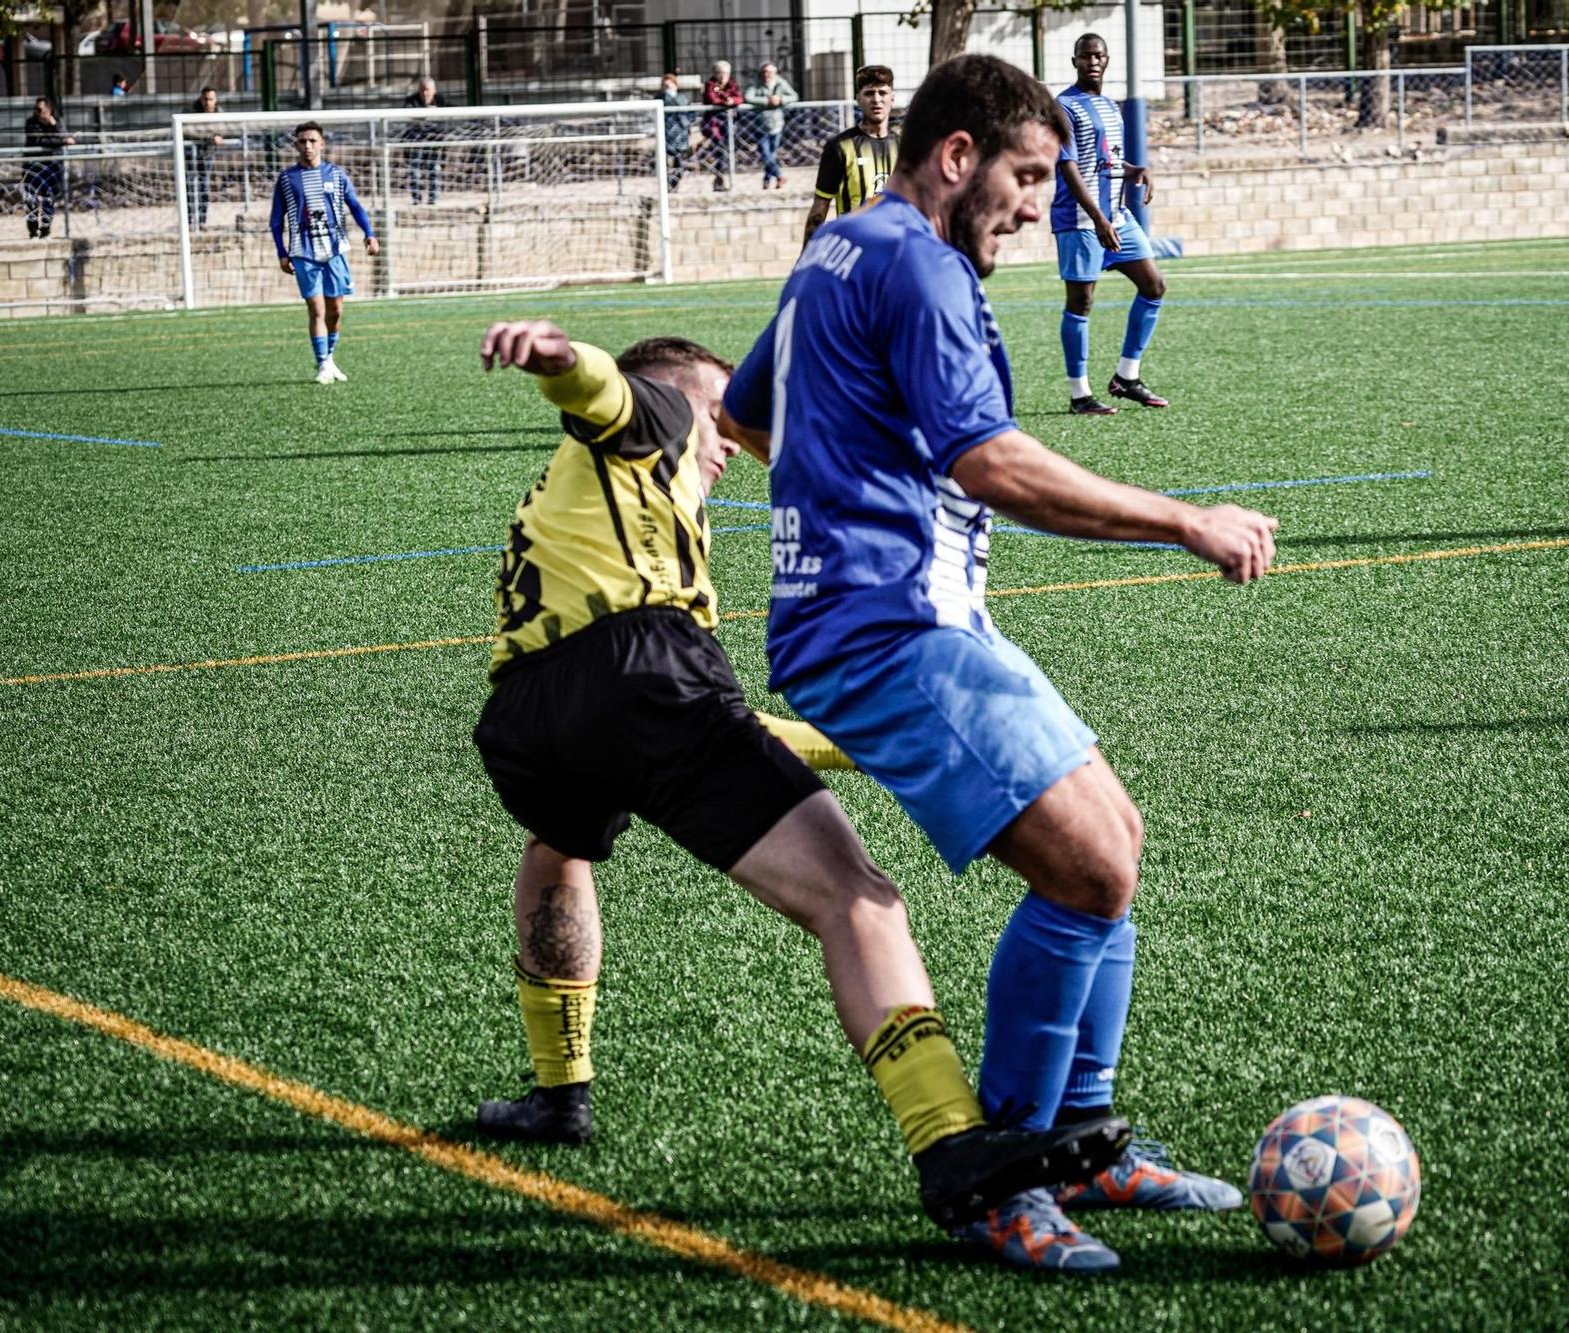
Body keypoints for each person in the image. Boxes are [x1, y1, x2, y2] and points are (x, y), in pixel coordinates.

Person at [720, 53, 1277, 1273]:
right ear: (957, 156)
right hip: (885, 627)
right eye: (1025, 176)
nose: (1036, 206)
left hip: (888, 613)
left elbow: (748, 411)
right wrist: (1182, 517)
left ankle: (1079, 1135)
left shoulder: (838, 250)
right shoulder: (916, 261)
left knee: (1108, 838)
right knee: (1085, 858)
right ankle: (1004, 1173)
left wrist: (846, 482)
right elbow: (989, 462)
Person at [468, 318, 1130, 1235]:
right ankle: (950, 1145)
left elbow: (710, 729)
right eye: (725, 414)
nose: (733, 438)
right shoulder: (657, 413)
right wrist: (558, 356)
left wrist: (859, 740)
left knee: (560, 847)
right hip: (641, 675)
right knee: (859, 898)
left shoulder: (577, 504)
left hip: (525, 712)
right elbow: (606, 389)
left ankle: (558, 1092)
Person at [1053, 34, 1169, 416]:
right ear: (1075, 61)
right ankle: (1079, 394)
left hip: (1117, 217)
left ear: (1107, 59)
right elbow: (1068, 166)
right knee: (1081, 302)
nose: (1093, 61)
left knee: (1154, 285)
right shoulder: (1064, 106)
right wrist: (1099, 219)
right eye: (1086, 56)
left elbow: (1109, 162)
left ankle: (1126, 377)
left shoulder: (1109, 106)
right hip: (1082, 220)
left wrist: (1137, 170)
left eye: (1099, 55)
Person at [269, 122, 379, 385]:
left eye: (313, 141)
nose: (308, 146)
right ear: (295, 144)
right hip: (303, 252)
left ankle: (329, 358)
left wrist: (369, 233)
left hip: (335, 251)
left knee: (336, 310)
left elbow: (355, 206)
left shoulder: (337, 175)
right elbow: (276, 220)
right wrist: (282, 253)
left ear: (322, 144)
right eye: (303, 141)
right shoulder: (287, 179)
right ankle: (321, 364)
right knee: (316, 309)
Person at [801, 64, 896, 250]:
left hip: (893, 251)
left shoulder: (905, 147)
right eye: (869, 93)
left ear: (892, 98)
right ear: (858, 99)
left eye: (882, 93)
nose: (876, 100)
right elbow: (819, 210)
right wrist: (805, 258)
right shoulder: (840, 147)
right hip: (854, 249)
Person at [22, 97, 73, 239]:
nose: (37, 113)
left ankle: (45, 230)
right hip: (33, 165)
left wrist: (54, 126)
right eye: (35, 110)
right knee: (31, 199)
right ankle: (32, 231)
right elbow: (37, 141)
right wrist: (61, 141)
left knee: (48, 198)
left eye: (40, 110)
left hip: (51, 166)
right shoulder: (31, 123)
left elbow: (64, 135)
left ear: (48, 110)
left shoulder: (58, 121)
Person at [399, 75, 452, 206]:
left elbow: (450, 113)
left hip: (435, 142)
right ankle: (416, 199)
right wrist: (425, 113)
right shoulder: (411, 100)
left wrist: (436, 112)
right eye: (422, 90)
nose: (425, 93)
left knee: (435, 168)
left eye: (427, 90)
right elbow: (408, 115)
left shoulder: (441, 100)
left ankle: (433, 199)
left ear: (434, 90)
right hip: (415, 142)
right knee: (414, 170)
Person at [747, 60, 796, 190]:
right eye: (765, 72)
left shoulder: (780, 82)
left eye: (770, 72)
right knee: (765, 153)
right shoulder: (756, 84)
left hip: (777, 124)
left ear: (775, 73)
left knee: (772, 154)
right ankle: (779, 176)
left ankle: (767, 179)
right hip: (760, 125)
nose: (767, 75)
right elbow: (748, 97)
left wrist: (780, 100)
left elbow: (794, 96)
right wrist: (766, 101)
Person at [699, 60, 742, 192]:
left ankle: (722, 179)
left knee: (727, 150)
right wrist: (726, 102)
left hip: (728, 123)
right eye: (720, 73)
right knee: (719, 150)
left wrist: (732, 101)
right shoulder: (710, 84)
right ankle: (718, 178)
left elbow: (739, 97)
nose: (723, 76)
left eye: (726, 73)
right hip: (713, 124)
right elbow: (712, 99)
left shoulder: (732, 84)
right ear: (715, 73)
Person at [184, 88, 223, 228]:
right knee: (188, 187)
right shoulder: (190, 111)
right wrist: (209, 137)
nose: (208, 103)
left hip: (206, 154)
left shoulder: (219, 112)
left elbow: (223, 128)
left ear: (215, 99)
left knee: (203, 187)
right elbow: (188, 131)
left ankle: (202, 221)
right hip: (189, 155)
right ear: (201, 99)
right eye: (205, 99)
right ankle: (187, 222)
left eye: (211, 99)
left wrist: (217, 135)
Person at [656, 71, 689, 192]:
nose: (667, 89)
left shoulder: (683, 98)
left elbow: (690, 114)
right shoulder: (660, 98)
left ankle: (673, 184)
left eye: (670, 86)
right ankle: (667, 187)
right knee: (665, 164)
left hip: (681, 136)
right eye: (665, 86)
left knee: (680, 164)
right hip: (665, 135)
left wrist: (686, 123)